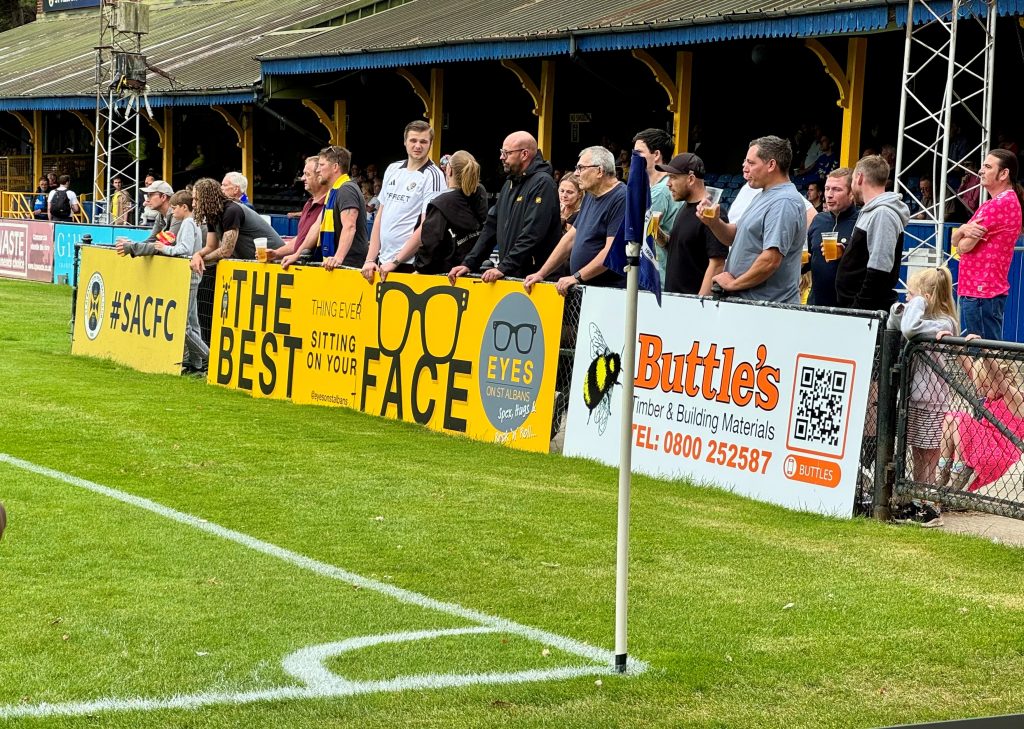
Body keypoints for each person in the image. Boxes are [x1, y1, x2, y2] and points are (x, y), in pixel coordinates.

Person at [887, 267, 959, 523]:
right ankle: (917, 499)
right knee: (918, 451)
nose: (908, 299)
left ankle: (928, 504)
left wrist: (917, 303)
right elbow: (895, 324)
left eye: (912, 294)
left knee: (928, 452)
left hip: (932, 399)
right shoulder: (922, 320)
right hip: (914, 397)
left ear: (926, 296)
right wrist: (900, 309)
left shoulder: (944, 323)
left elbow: (909, 330)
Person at [699, 135, 806, 303]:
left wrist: (733, 285)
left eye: (751, 162)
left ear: (771, 165)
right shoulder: (762, 195)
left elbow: (770, 260)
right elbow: (733, 236)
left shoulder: (784, 202)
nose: (744, 167)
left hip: (766, 309)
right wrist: (714, 223)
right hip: (752, 306)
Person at [448, 130, 560, 283]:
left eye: (506, 153)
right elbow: (491, 226)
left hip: (536, 278)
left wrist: (504, 267)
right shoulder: (509, 183)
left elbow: (533, 232)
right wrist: (469, 263)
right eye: (502, 152)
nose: (501, 157)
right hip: (513, 274)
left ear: (524, 154)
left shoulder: (543, 183)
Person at [117, 190, 209, 375]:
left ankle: (211, 358)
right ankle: (198, 364)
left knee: (184, 326)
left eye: (175, 208)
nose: (172, 212)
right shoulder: (189, 222)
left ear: (184, 207)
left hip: (189, 276)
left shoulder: (189, 223)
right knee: (192, 322)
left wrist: (165, 249)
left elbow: (184, 249)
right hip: (190, 275)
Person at [522, 146, 625, 296]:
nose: (576, 173)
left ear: (600, 171)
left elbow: (612, 252)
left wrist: (576, 277)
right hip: (585, 289)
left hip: (607, 293)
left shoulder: (622, 198)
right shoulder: (591, 194)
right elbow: (571, 238)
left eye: (581, 168)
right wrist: (541, 273)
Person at [951, 149, 1024, 341]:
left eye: (988, 166)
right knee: (986, 357)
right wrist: (962, 230)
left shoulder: (997, 205)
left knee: (984, 358)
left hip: (981, 293)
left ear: (1004, 173)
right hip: (983, 292)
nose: (981, 171)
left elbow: (963, 247)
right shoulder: (1003, 202)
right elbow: (956, 241)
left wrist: (961, 234)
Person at [362, 120, 446, 282]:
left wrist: (396, 261)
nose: (418, 146)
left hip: (409, 263)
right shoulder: (393, 169)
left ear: (430, 144)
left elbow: (426, 226)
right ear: (405, 142)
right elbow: (380, 217)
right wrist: (370, 259)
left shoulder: (433, 176)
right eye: (413, 140)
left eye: (423, 141)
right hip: (382, 261)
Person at [938, 357, 1024, 494]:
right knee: (949, 418)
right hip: (984, 442)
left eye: (987, 386)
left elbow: (998, 377)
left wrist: (985, 354)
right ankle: (942, 470)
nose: (983, 391)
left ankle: (960, 470)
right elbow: (971, 370)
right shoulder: (992, 395)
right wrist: (958, 345)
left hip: (999, 450)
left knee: (961, 419)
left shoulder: (1013, 398)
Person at [835, 155, 910, 311]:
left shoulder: (882, 213)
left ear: (860, 177)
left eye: (853, 179)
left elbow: (880, 269)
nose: (852, 185)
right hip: (857, 308)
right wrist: (848, 251)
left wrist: (858, 308)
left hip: (865, 313)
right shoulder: (872, 211)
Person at [397, 150, 487, 275]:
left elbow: (430, 245)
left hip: (446, 275)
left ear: (449, 170)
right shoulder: (481, 194)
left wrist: (419, 268)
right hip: (475, 268)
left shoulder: (441, 203)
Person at [281, 145, 367, 272]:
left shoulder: (346, 189)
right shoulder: (333, 192)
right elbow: (316, 227)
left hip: (347, 265)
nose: (318, 170)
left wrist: (337, 257)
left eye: (321, 165)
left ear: (335, 167)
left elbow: (350, 226)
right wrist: (296, 254)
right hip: (334, 263)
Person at [655, 152, 728, 296]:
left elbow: (718, 264)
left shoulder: (711, 211)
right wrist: (657, 233)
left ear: (691, 179)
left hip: (692, 306)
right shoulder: (685, 207)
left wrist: (698, 306)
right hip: (675, 301)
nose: (668, 184)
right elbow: (681, 248)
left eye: (673, 177)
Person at [189, 177, 284, 275]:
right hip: (257, 262)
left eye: (196, 199)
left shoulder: (231, 211)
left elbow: (225, 251)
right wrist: (197, 255)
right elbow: (211, 246)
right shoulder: (212, 214)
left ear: (208, 199)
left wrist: (202, 260)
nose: (193, 204)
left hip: (275, 260)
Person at [632, 128, 683, 285]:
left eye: (639, 153)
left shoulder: (661, 190)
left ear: (657, 155)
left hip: (656, 275)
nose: (634, 158)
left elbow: (639, 229)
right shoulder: (654, 186)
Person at [806, 168, 858, 307]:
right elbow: (809, 258)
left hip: (849, 309)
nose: (829, 195)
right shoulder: (819, 220)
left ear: (851, 193)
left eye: (836, 190)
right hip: (816, 306)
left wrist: (844, 254)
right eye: (827, 189)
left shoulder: (862, 222)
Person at [268, 156, 326, 264]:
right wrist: (277, 253)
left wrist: (296, 255)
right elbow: (301, 238)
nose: (302, 178)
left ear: (320, 176)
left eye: (307, 174)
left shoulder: (329, 204)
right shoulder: (308, 204)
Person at [115, 180, 176, 257]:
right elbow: (152, 240)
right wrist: (131, 244)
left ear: (163, 197)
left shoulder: (177, 215)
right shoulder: (160, 216)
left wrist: (132, 246)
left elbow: (164, 245)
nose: (147, 199)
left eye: (150, 195)